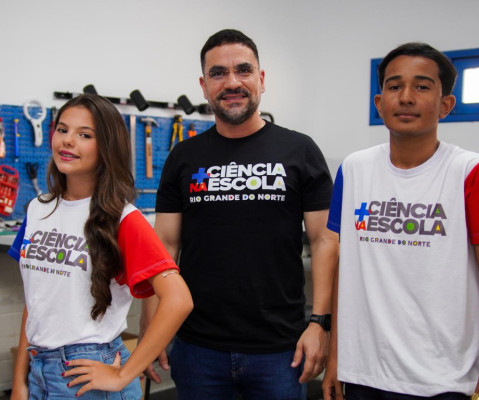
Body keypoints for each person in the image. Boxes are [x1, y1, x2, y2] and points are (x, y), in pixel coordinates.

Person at [140, 29, 339, 399]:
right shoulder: (183, 157)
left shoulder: (300, 150)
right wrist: (151, 325)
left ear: (261, 79)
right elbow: (164, 246)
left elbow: (324, 239)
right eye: (218, 73)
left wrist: (321, 323)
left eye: (243, 70)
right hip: (197, 348)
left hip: (281, 350)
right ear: (204, 86)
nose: (232, 82)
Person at [322, 42, 479, 400]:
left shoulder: (474, 173)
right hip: (364, 375)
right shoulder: (353, 170)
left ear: (446, 105)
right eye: (394, 86)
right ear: (379, 102)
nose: (406, 97)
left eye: (422, 86)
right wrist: (336, 358)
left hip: (444, 382)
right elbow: (346, 272)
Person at [8, 94, 193, 399]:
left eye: (85, 135)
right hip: (38, 371)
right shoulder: (37, 209)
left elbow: (179, 300)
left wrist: (123, 374)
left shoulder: (123, 219)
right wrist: (20, 382)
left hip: (88, 372)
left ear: (107, 147)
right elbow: (37, 299)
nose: (68, 141)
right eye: (62, 129)